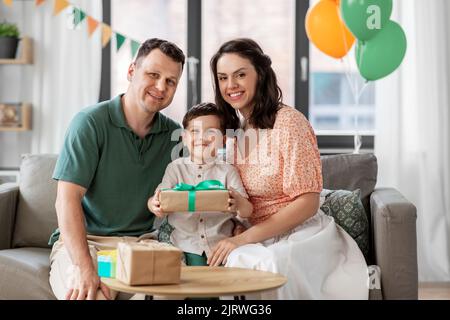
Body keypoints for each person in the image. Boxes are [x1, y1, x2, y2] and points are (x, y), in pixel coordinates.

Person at [208, 38, 368, 299]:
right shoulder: (235, 134)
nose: (230, 85)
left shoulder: (289, 123)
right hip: (257, 234)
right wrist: (238, 226)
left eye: (240, 75)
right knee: (233, 264)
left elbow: (308, 203)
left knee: (272, 266)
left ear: (259, 75)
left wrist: (244, 238)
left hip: (301, 233)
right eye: (223, 78)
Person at [49, 38, 185, 300]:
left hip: (145, 245)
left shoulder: (176, 136)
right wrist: (84, 266)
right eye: (153, 75)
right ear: (132, 71)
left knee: (169, 296)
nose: (161, 87)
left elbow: (201, 181)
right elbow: (66, 200)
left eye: (170, 81)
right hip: (89, 245)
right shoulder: (90, 123)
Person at [148, 102, 253, 266]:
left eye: (211, 132)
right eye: (194, 131)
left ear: (223, 140)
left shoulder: (228, 171)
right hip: (183, 243)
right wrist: (155, 205)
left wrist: (239, 203)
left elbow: (247, 211)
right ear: (184, 137)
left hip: (219, 244)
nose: (201, 137)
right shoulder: (175, 168)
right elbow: (160, 197)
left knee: (219, 283)